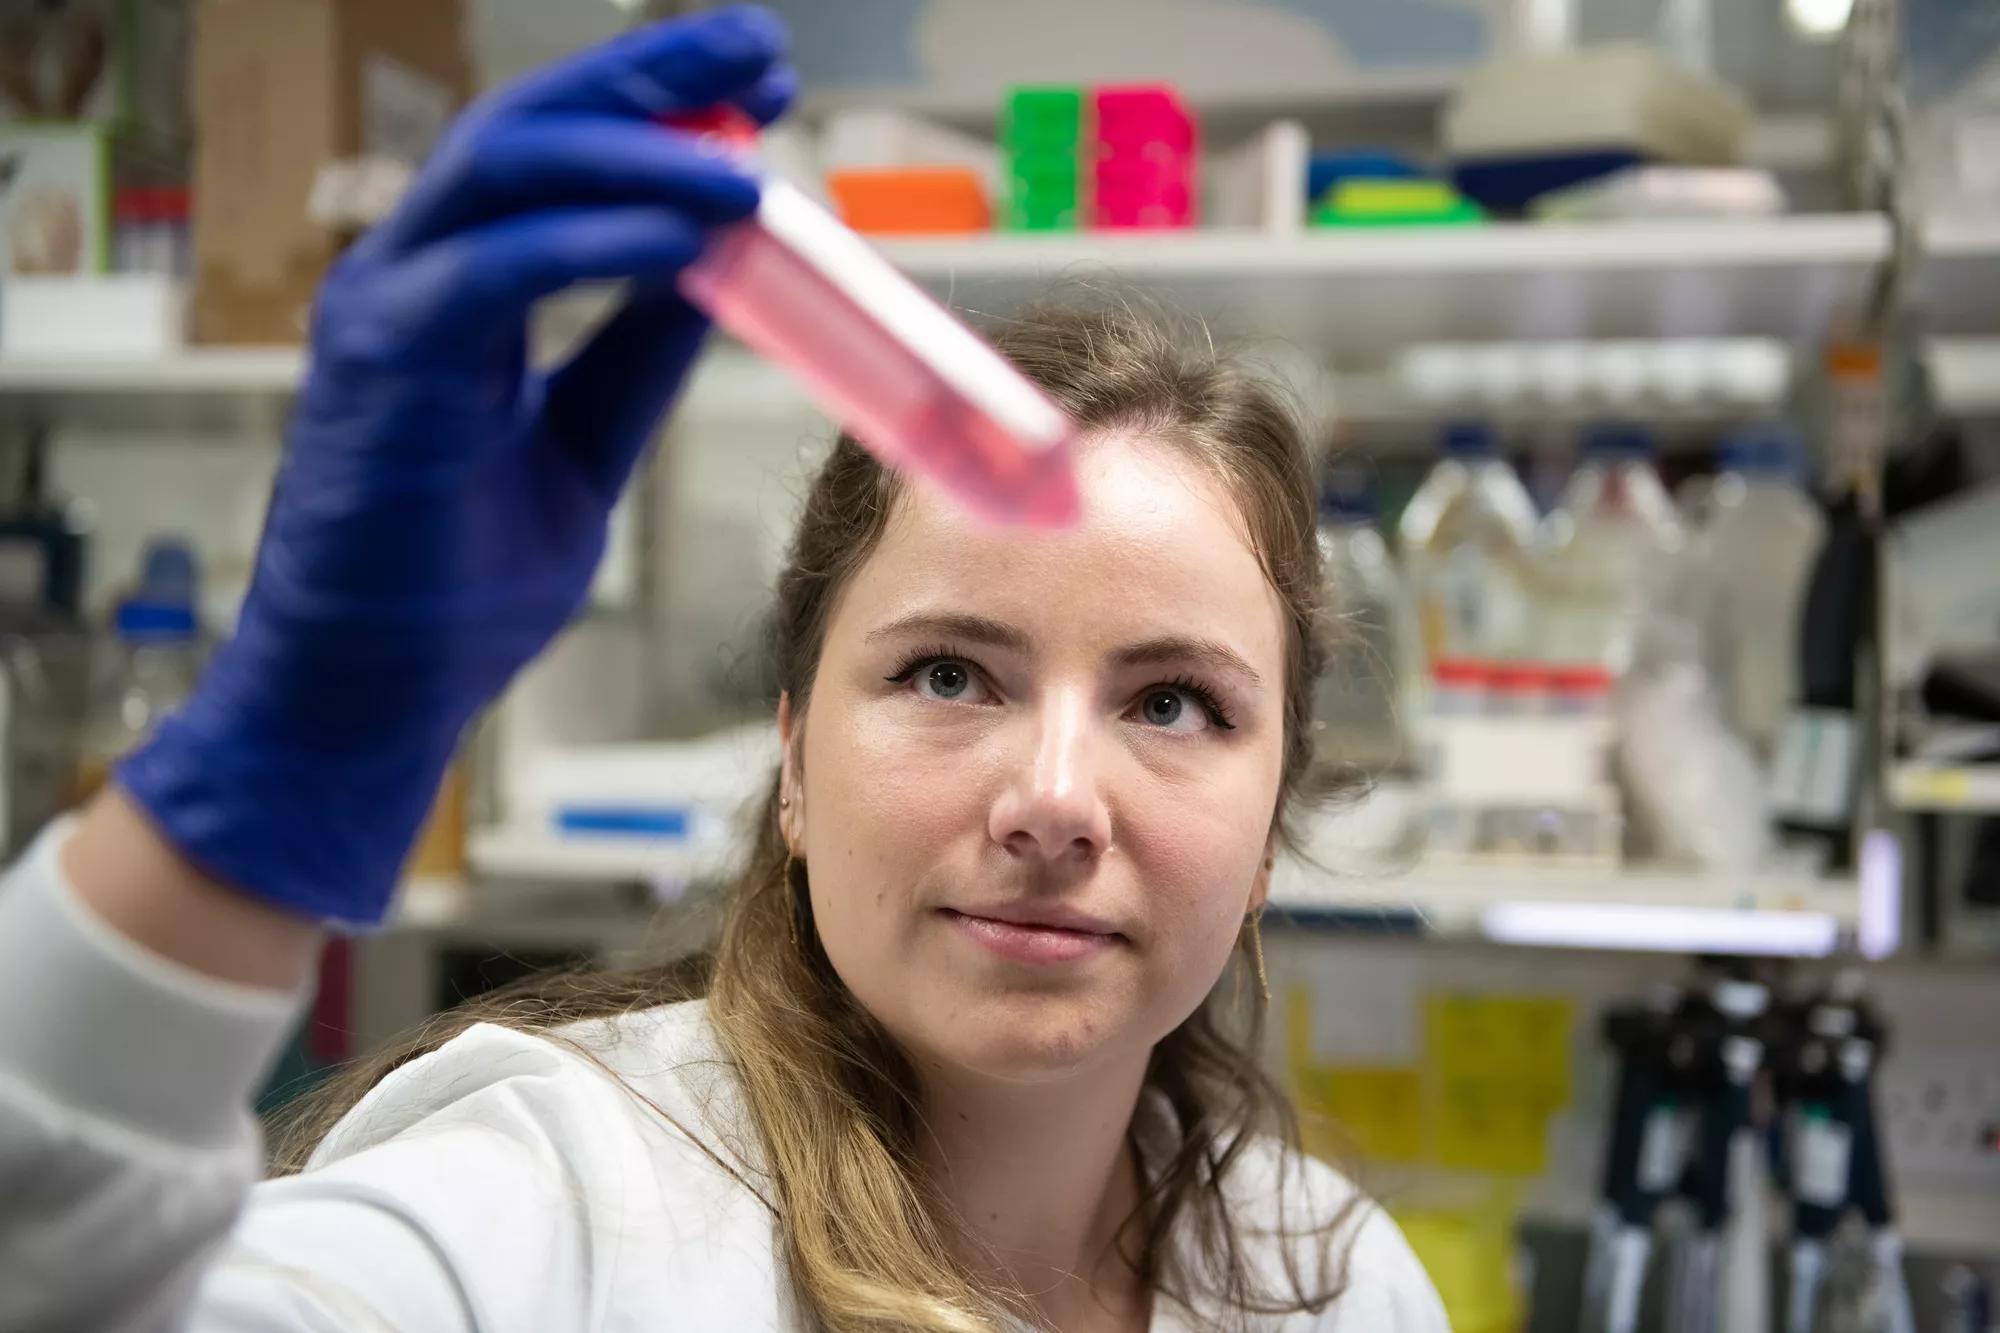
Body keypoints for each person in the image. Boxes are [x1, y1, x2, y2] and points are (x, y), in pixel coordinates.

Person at [0, 9, 1447, 1332]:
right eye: (950, 674)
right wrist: (269, 777)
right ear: (796, 759)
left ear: (1270, 830)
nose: (1053, 799)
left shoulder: (1330, 1277)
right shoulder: (562, 1198)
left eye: (1173, 702)